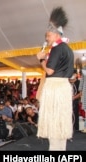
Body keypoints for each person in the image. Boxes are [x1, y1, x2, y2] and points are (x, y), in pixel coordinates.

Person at [36, 7, 74, 150]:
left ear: (54, 33)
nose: (47, 39)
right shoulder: (68, 49)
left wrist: (41, 60)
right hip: (63, 87)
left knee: (53, 123)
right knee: (60, 123)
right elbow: (70, 73)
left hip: (55, 88)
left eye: (48, 36)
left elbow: (50, 71)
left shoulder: (57, 49)